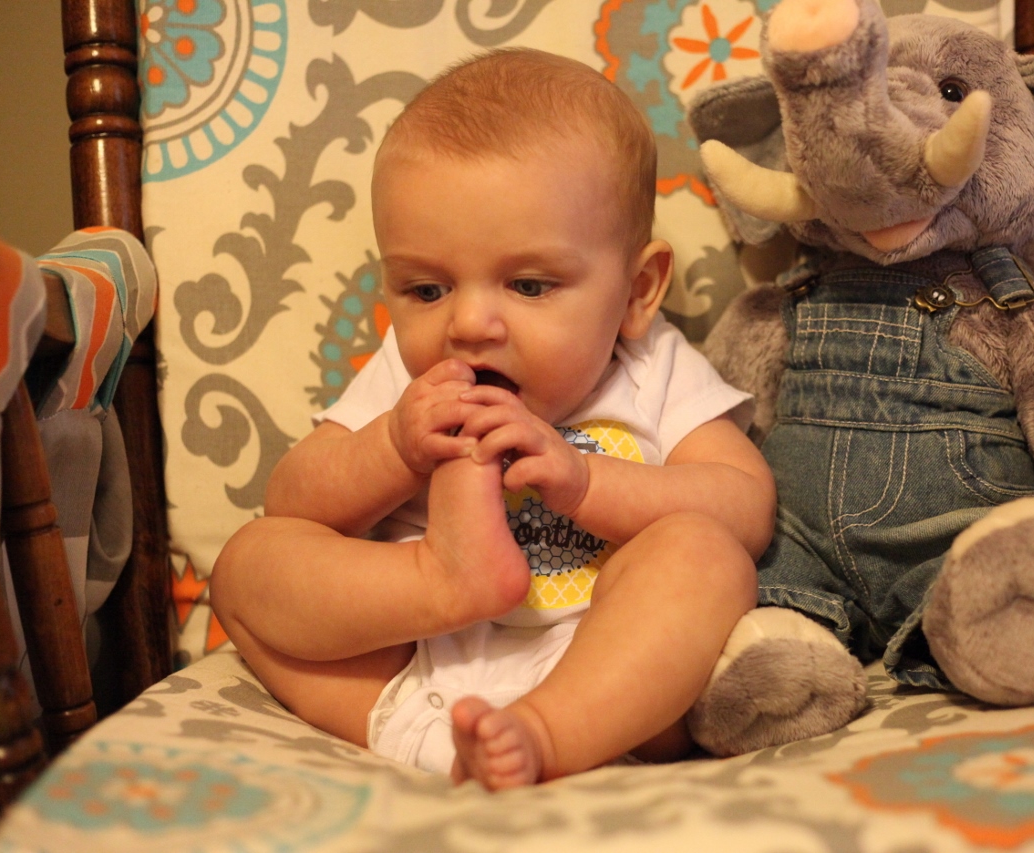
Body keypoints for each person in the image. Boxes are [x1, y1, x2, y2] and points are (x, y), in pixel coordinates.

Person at [210, 48, 775, 791]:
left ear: (638, 290)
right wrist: (393, 447)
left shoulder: (651, 365)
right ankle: (440, 601)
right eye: (427, 289)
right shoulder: (403, 376)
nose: (469, 324)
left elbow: (746, 506)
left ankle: (544, 734)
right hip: (408, 667)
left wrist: (586, 483)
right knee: (248, 562)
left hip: (599, 674)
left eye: (529, 285)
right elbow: (295, 499)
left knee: (705, 556)